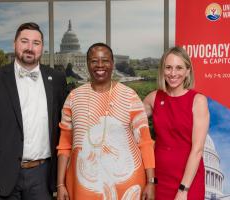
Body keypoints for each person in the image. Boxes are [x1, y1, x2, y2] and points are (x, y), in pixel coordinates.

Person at [0, 22, 67, 200]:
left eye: (36, 43)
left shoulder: (58, 80)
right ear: (14, 44)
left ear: (42, 48)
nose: (30, 48)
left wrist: (61, 180)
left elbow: (65, 129)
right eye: (24, 41)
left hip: (42, 174)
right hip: (1, 173)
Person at [56, 42, 156, 200]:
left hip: (127, 185)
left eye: (105, 60)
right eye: (94, 61)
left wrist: (151, 182)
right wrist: (60, 184)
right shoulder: (73, 98)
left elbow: (145, 142)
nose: (100, 65)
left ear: (112, 64)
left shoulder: (129, 96)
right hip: (84, 185)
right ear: (88, 64)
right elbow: (64, 146)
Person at [143, 46, 209, 200]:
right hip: (159, 179)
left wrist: (183, 190)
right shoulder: (153, 98)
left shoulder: (198, 101)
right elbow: (130, 122)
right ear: (162, 70)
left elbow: (197, 149)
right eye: (168, 68)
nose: (173, 73)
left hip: (188, 181)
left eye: (179, 68)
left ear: (187, 71)